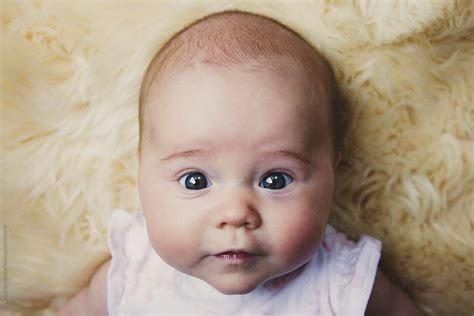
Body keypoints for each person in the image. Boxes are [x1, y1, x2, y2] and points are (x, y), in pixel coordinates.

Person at [58, 10, 424, 315]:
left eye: (275, 180)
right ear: (141, 174)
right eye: (195, 181)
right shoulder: (133, 270)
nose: (235, 214)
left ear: (332, 175)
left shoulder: (343, 282)